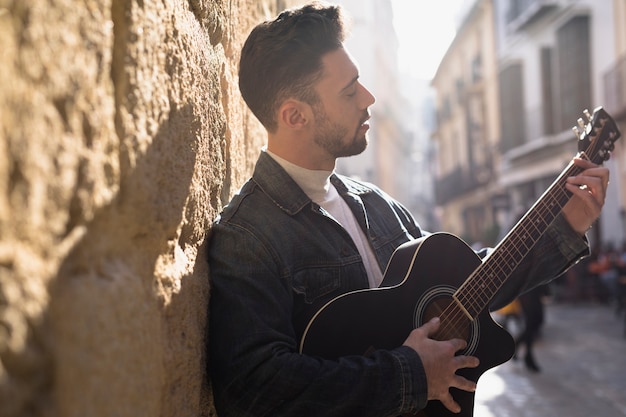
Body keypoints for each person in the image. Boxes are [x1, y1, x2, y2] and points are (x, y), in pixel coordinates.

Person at [207, 2, 609, 416]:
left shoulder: (376, 205)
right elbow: (253, 390)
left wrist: (564, 226)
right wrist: (412, 375)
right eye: (349, 91)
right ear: (295, 115)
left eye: (360, 82)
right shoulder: (248, 237)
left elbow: (467, 290)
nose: (369, 97)